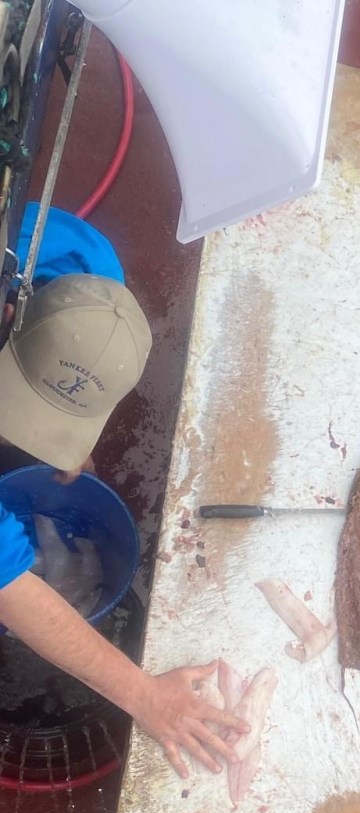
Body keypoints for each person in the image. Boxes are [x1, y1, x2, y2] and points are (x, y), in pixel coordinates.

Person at [0, 272, 247, 777]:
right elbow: (11, 592)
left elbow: (87, 362)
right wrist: (144, 694)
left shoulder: (93, 282)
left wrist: (68, 432)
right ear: (8, 315)